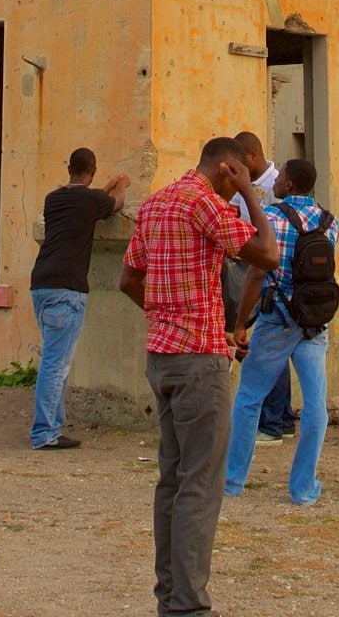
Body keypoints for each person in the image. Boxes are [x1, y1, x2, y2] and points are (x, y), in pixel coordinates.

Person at [121, 136, 279, 617]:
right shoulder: (205, 203)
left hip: (162, 358)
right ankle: (188, 604)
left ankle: (169, 594)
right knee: (200, 484)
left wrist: (166, 317)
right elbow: (267, 254)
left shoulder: (155, 204)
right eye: (239, 177)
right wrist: (252, 195)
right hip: (200, 361)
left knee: (171, 479)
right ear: (229, 168)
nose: (238, 189)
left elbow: (129, 279)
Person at [224, 158, 339, 506]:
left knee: (248, 399)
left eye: (281, 177)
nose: (275, 181)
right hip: (314, 321)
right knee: (315, 403)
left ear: (289, 185)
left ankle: (232, 481)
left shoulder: (273, 219)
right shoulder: (329, 222)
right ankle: (303, 489)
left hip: (277, 320)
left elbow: (257, 275)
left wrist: (241, 323)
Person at [26, 147, 128, 450]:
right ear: (92, 169)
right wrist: (120, 184)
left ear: (69, 167)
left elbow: (91, 198)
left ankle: (52, 427)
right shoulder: (90, 200)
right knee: (56, 365)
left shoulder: (53, 198)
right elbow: (116, 204)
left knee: (54, 360)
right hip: (67, 288)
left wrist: (104, 187)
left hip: (41, 283)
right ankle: (44, 432)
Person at [227, 131, 294, 444]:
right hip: (245, 265)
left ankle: (273, 420)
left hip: (271, 273)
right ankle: (282, 415)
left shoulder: (278, 184)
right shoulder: (243, 186)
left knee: (266, 346)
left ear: (252, 156)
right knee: (266, 345)